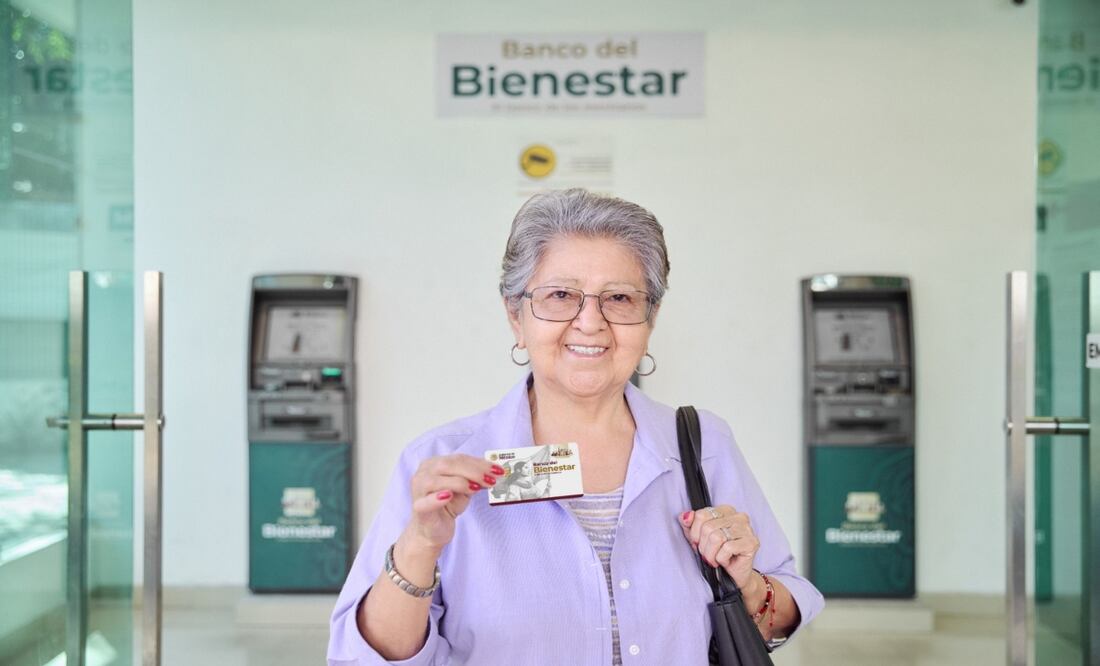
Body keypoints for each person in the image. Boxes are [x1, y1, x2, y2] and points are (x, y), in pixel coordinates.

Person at [328, 189, 823, 665]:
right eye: (561, 295)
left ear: (650, 318)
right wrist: (420, 544)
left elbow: (783, 611)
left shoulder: (700, 444)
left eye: (620, 299)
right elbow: (365, 658)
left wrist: (750, 584)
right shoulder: (441, 461)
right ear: (515, 315)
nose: (590, 322)